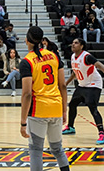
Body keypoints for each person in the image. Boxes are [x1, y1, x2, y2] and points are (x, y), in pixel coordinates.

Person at [20, 26, 70, 171]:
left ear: (27, 40)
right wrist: (64, 111)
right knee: (58, 149)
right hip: (56, 108)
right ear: (42, 40)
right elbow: (63, 86)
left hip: (38, 111)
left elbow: (27, 94)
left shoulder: (27, 61)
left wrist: (23, 122)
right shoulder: (54, 56)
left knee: (36, 151)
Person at [62, 38, 104, 144]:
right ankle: (70, 127)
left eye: (76, 43)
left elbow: (100, 65)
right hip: (82, 85)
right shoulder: (73, 57)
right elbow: (75, 72)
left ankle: (102, 134)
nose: (73, 44)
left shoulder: (87, 56)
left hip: (93, 85)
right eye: (72, 43)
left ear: (82, 46)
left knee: (92, 107)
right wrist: (66, 83)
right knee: (72, 104)